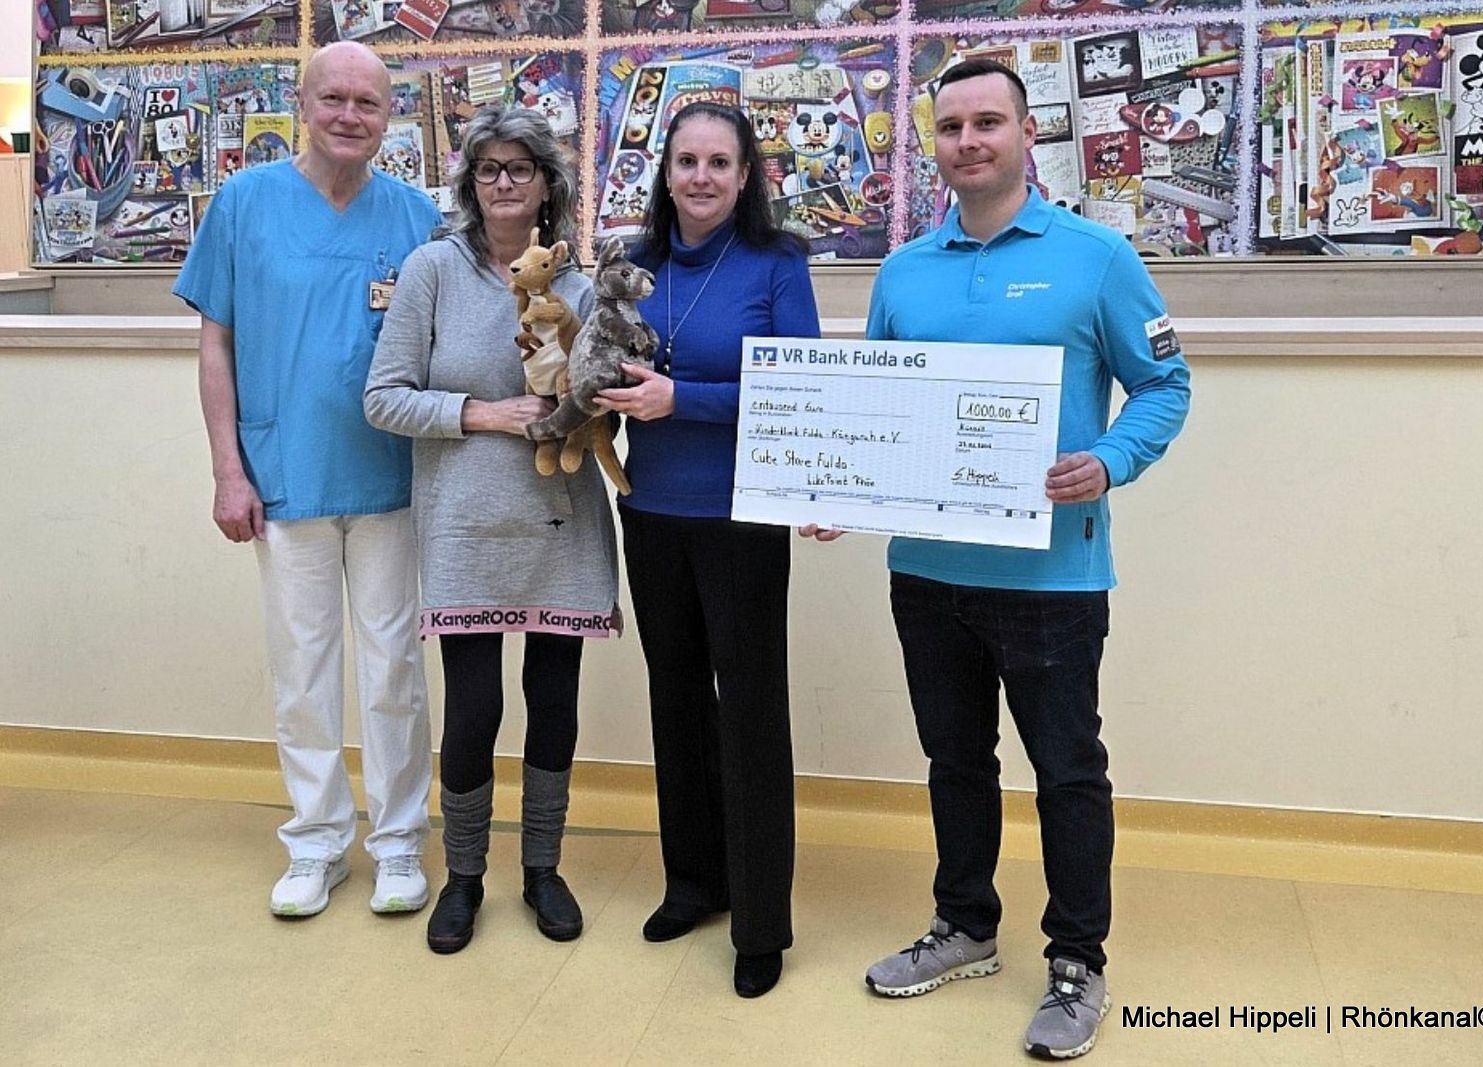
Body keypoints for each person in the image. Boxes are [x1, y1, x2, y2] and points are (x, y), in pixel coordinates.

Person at [850, 60, 1191, 1059]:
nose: (969, 140)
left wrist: (1109, 459)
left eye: (988, 121)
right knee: (954, 761)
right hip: (927, 574)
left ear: (1027, 132)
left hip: (1052, 580)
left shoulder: (1097, 257)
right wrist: (836, 490)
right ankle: (964, 925)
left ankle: (1077, 960)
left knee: (1068, 773)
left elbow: (1165, 385)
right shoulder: (903, 270)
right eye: (951, 125)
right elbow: (875, 412)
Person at [174, 42, 441, 918]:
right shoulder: (245, 203)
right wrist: (227, 469)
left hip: (392, 478)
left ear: (389, 116)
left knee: (395, 668)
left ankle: (398, 842)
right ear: (301, 103)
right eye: (334, 98)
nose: (350, 115)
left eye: (368, 102)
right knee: (302, 667)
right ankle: (317, 841)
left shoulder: (416, 216)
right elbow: (216, 345)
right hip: (283, 472)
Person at [364, 106, 618, 954]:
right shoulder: (432, 269)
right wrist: (484, 413)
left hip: (562, 521)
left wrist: (598, 404)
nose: (504, 182)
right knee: (474, 708)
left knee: (555, 702)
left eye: (520, 168)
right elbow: (384, 397)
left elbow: (601, 405)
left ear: (548, 184)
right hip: (466, 524)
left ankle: (543, 868)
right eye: (488, 169)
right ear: (470, 184)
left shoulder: (578, 285)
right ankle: (465, 875)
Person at [594, 101, 820, 999]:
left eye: (718, 162)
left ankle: (761, 922)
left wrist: (678, 399)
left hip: (743, 521)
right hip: (650, 513)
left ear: (745, 174)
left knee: (751, 712)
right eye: (685, 160)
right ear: (666, 171)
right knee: (676, 700)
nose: (700, 177)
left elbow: (799, 388)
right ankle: (694, 881)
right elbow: (601, 361)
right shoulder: (631, 263)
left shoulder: (777, 261)